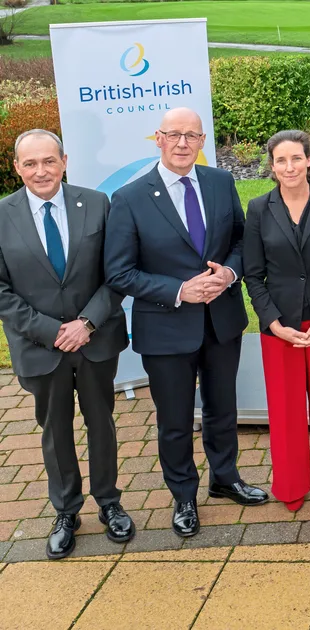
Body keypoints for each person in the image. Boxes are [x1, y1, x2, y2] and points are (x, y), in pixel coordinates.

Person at [104, 107, 268, 538]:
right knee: (175, 420)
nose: (182, 143)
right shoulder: (130, 198)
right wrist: (180, 291)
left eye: (191, 136)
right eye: (173, 135)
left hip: (221, 320)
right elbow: (119, 272)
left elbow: (240, 239)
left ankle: (225, 477)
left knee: (222, 408)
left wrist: (229, 274)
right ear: (157, 138)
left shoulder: (220, 182)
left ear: (202, 141)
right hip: (166, 329)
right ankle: (183, 496)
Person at [0, 130, 130, 559]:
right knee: (55, 430)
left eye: (49, 161)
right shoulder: (3, 215)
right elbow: (2, 291)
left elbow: (117, 273)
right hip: (40, 348)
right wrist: (52, 331)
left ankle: (109, 502)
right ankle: (66, 510)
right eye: (31, 163)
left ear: (64, 161)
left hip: (94, 340)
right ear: (17, 167)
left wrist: (87, 323)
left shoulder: (96, 204)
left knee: (102, 422)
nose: (42, 171)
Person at [243, 130, 310, 512]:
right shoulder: (258, 209)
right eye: (280, 160)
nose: (288, 167)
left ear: (309, 161)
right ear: (272, 167)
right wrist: (273, 322)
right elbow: (253, 275)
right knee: (285, 410)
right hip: (280, 328)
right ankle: (290, 484)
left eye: (295, 158)